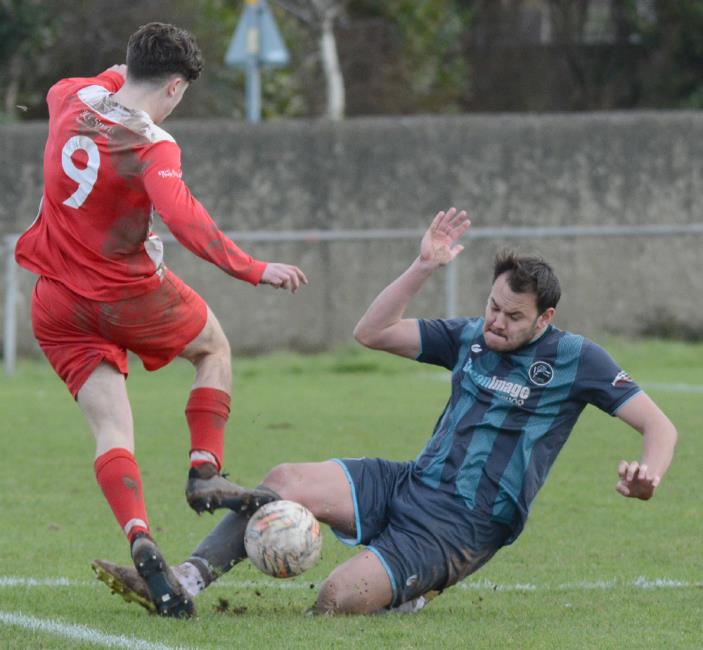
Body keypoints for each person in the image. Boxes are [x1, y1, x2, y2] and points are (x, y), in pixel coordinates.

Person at [92, 208, 677, 616]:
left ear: (544, 319)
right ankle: (184, 585)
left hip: (462, 526)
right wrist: (423, 266)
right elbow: (370, 332)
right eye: (493, 306)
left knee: (335, 602)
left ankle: (414, 591)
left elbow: (659, 425)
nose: (496, 321)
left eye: (513, 316)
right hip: (409, 482)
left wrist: (649, 473)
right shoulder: (471, 336)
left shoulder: (577, 360)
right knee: (283, 483)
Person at [14, 22, 307, 618]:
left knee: (112, 431)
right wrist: (253, 268)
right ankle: (205, 470)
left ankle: (140, 536)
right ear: (174, 88)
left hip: (53, 301)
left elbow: (106, 83)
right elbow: (183, 217)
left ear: (126, 67)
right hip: (123, 292)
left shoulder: (67, 95)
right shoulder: (152, 143)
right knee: (213, 349)